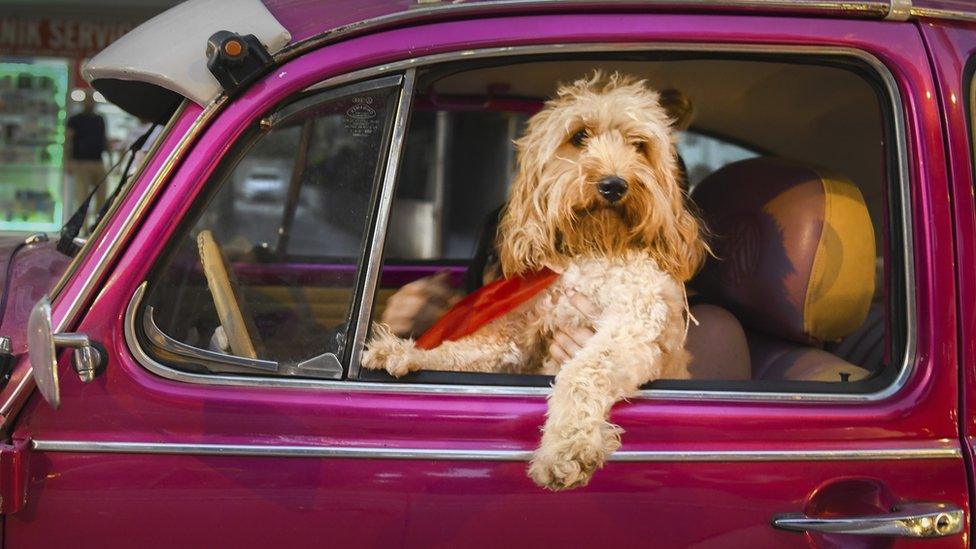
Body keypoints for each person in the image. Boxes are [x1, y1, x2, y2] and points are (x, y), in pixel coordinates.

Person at [380, 88, 751, 381]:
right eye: (497, 253)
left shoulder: (710, 329)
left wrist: (616, 365)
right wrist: (414, 330)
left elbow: (696, 449)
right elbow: (495, 347)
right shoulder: (518, 291)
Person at [65, 94, 108, 221]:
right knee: (82, 197)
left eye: (92, 100)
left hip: (98, 161)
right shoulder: (75, 119)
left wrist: (109, 159)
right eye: (87, 100)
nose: (90, 102)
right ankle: (81, 226)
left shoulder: (100, 119)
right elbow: (68, 141)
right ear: (83, 102)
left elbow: (104, 138)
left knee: (102, 195)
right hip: (81, 162)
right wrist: (68, 161)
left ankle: (97, 223)